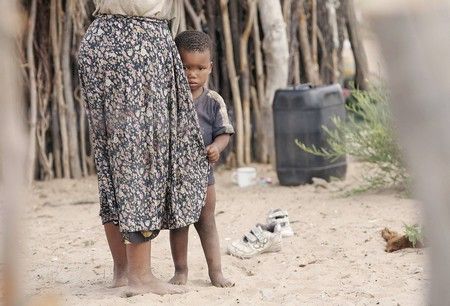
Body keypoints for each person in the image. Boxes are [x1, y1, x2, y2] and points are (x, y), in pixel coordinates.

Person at [77, 1, 209, 295]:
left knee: (112, 155)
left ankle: (123, 269)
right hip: (139, 45)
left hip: (100, 41)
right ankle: (140, 275)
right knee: (142, 153)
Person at [169, 30, 235, 288]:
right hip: (175, 178)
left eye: (199, 68)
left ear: (210, 67)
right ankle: (181, 271)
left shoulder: (213, 102)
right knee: (179, 225)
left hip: (204, 178)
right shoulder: (169, 100)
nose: (191, 74)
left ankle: (215, 272)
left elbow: (224, 133)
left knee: (207, 222)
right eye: (185, 66)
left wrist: (217, 148)